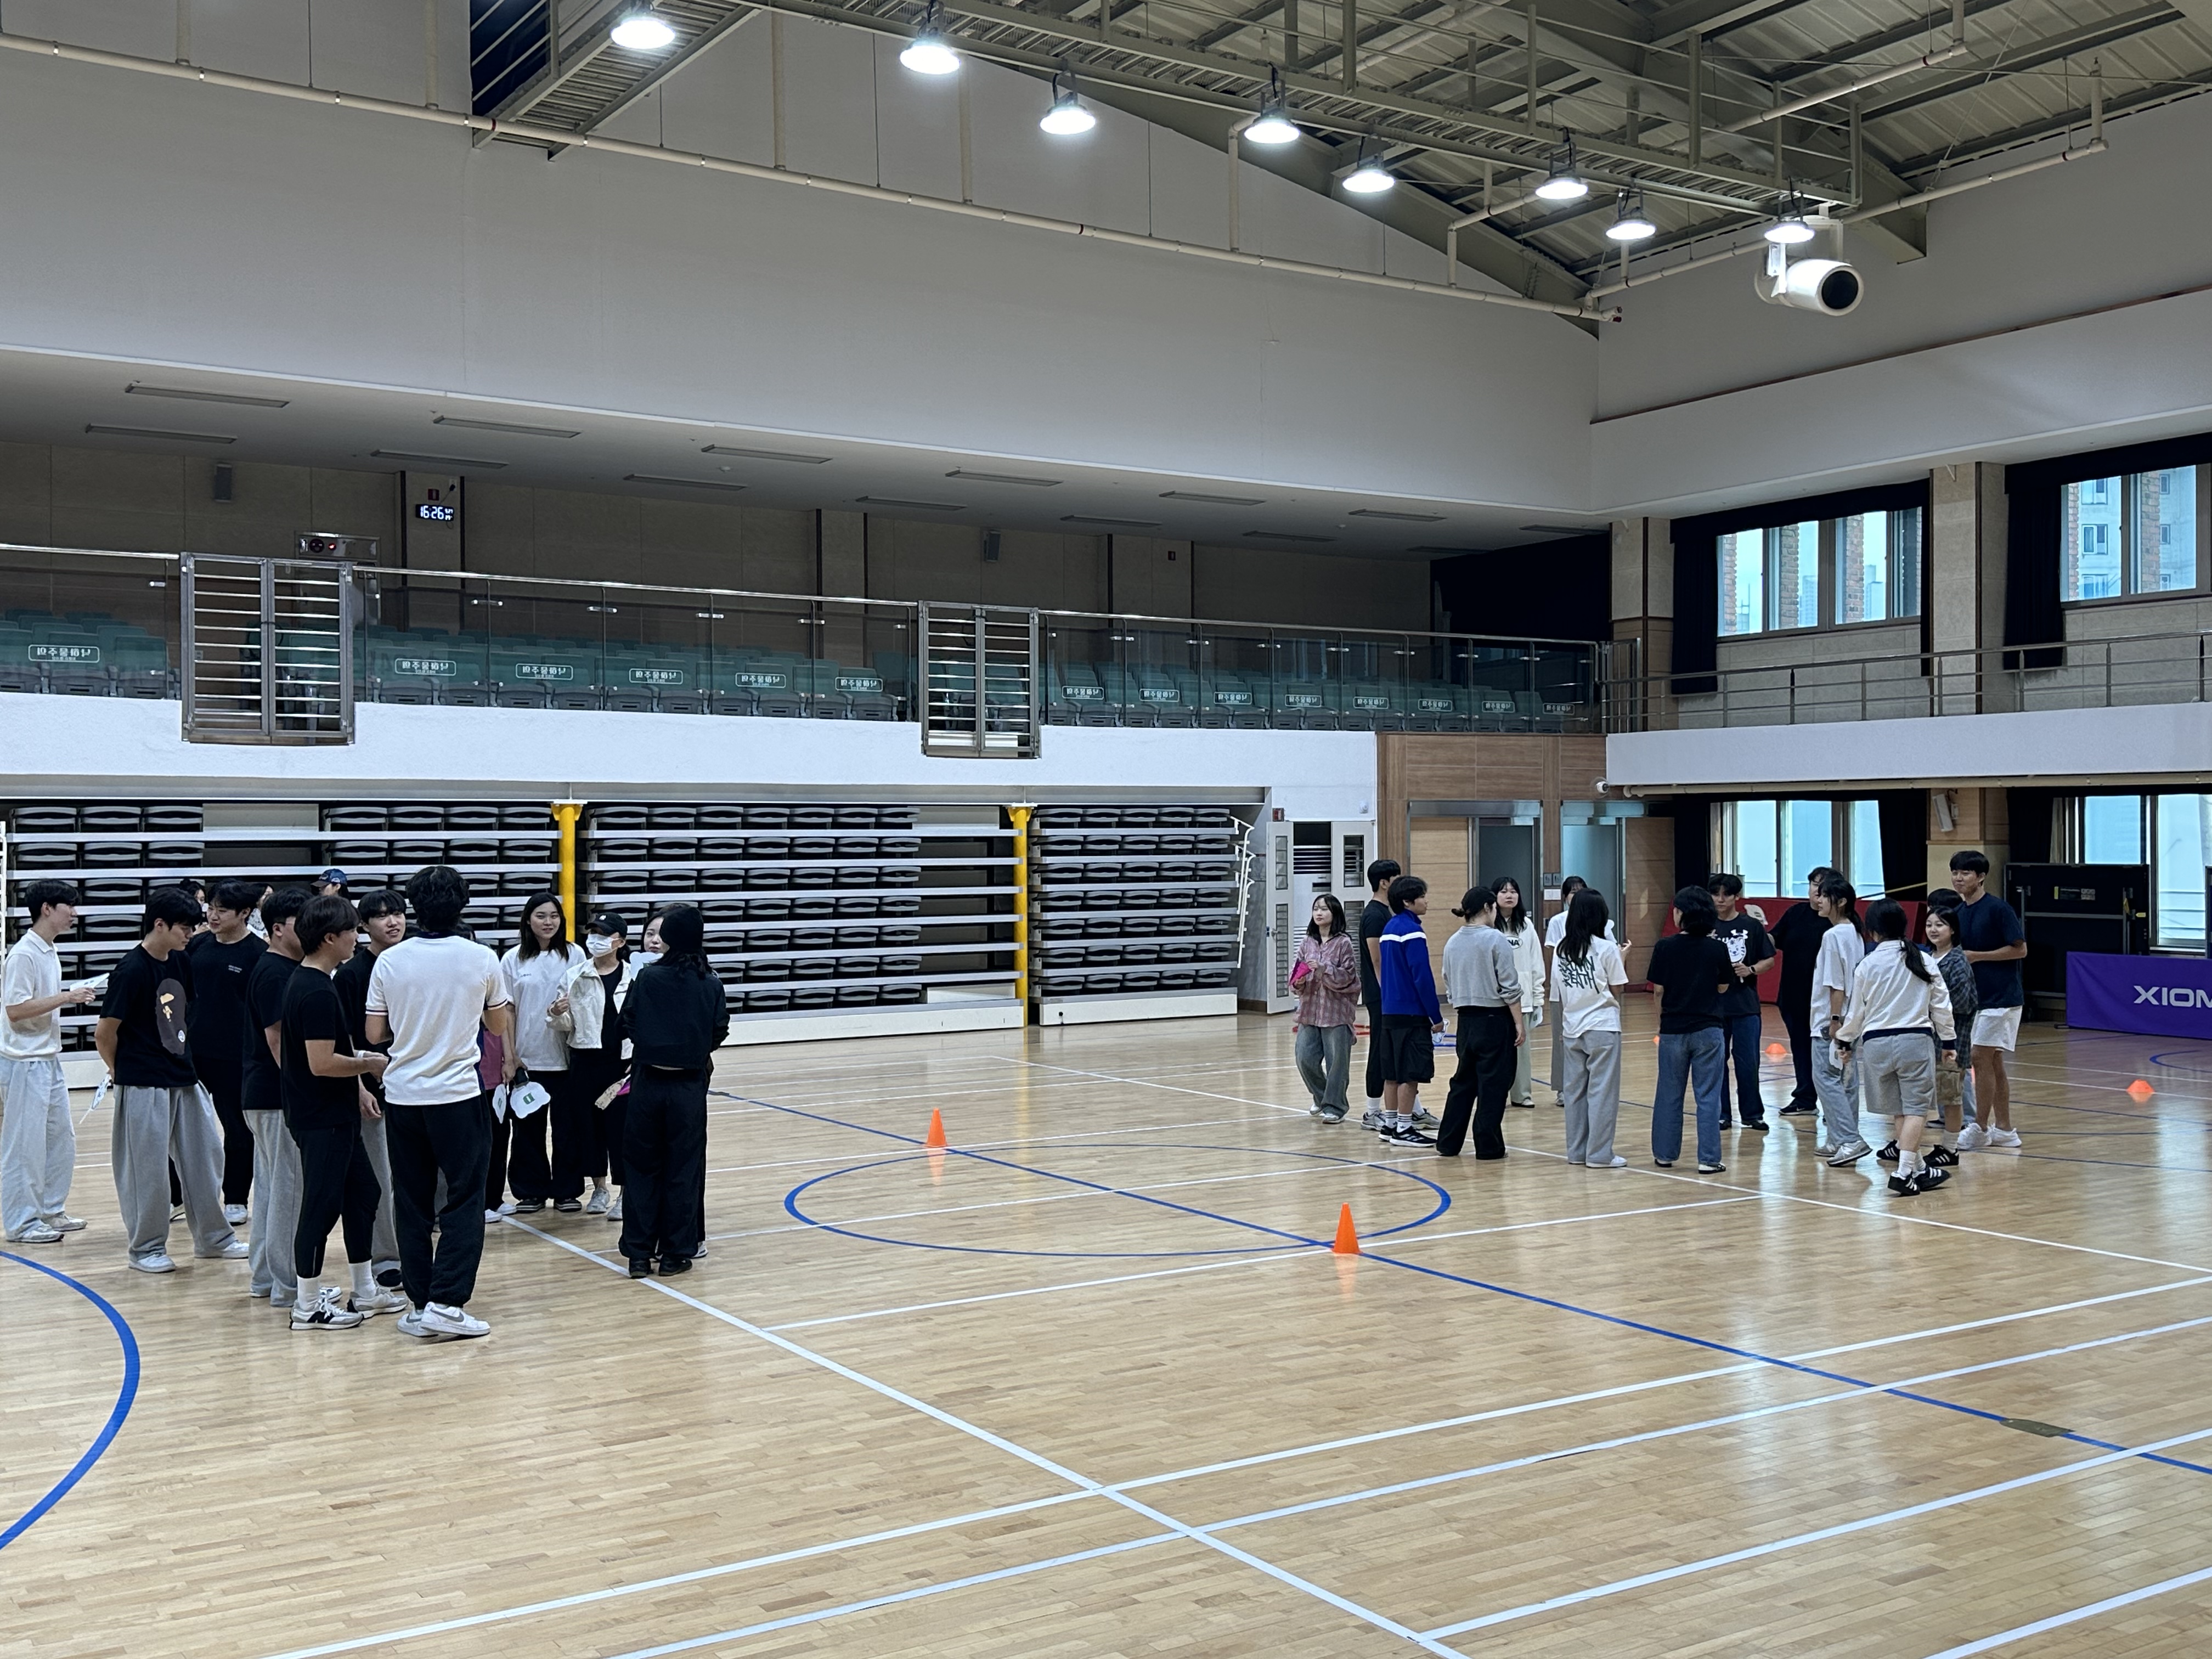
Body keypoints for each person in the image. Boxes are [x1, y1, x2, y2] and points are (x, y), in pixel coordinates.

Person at [365, 865, 513, 1341]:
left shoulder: (390, 961)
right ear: (462, 906)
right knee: (465, 1199)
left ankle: (420, 1303)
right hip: (457, 1096)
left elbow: (374, 1033)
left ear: (414, 907)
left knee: (411, 1201)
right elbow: (496, 1027)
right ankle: (447, 1303)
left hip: (403, 1096)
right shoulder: (482, 957)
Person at [95, 887, 245, 1273]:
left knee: (205, 1160)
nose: (191, 935)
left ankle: (214, 1239)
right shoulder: (131, 970)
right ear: (159, 925)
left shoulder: (180, 960)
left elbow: (180, 1017)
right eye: (185, 928)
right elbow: (105, 1033)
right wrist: (119, 1072)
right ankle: (145, 1248)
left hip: (184, 1075)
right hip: (143, 1081)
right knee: (147, 1170)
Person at [281, 895, 403, 1329]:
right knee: (320, 1207)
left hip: (337, 1112)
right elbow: (321, 1063)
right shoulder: (313, 990)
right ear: (331, 937)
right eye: (352, 930)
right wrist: (368, 1065)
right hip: (321, 1118)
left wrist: (358, 1086)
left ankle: (365, 1289)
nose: (357, 937)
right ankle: (307, 1305)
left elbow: (336, 1050)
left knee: (364, 1194)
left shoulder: (318, 981)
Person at [617, 905, 728, 1277]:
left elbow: (628, 1020)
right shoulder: (710, 983)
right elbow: (719, 1029)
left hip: (648, 1083)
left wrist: (652, 1045)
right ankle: (675, 1253)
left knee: (641, 1168)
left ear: (667, 938)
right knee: (683, 1170)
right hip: (688, 1087)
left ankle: (638, 1253)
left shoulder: (648, 977)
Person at [1835, 899, 1956, 1197]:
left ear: (1873, 931)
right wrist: (1949, 1040)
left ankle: (1918, 1169)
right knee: (1916, 1110)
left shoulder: (1867, 964)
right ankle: (1903, 1174)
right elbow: (1941, 1004)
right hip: (1914, 1042)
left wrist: (1845, 1040)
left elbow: (1856, 1012)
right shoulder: (1923, 959)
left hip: (1876, 1045)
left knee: (1901, 1111)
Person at [1, 880, 97, 1244]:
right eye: (68, 906)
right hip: (24, 1062)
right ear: (47, 909)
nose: (74, 913)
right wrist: (66, 997)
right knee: (24, 1146)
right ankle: (21, 1224)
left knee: (61, 1140)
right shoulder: (24, 954)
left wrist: (63, 997)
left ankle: (49, 1210)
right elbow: (15, 1009)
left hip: (47, 1058)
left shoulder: (49, 949)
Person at [498, 893, 590, 1216]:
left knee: (567, 1130)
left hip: (567, 1058)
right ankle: (530, 1191)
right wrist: (511, 1056)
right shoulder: (512, 959)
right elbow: (507, 1011)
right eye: (541, 916)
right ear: (528, 920)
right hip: (527, 1059)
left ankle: (567, 1190)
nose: (548, 922)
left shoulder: (575, 954)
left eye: (554, 916)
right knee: (528, 1131)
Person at [242, 887, 311, 1311]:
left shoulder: (278, 968)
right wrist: (305, 1091)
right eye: (304, 924)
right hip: (276, 1097)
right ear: (279, 929)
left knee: (271, 1189)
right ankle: (288, 1285)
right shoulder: (275, 973)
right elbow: (277, 1040)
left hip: (265, 1096)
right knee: (288, 1191)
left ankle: (266, 1277)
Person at [335, 889, 407, 1287]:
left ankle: (413, 1247)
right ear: (363, 926)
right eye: (381, 916)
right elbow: (345, 1037)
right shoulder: (351, 974)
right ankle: (385, 1258)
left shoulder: (414, 962)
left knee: (413, 1175)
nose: (392, 922)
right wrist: (360, 1086)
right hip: (373, 1088)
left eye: (397, 913)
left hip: (415, 1084)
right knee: (379, 1176)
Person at [185, 879, 267, 1227]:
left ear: (245, 913)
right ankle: (180, 1197)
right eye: (211, 908)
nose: (213, 916)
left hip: (236, 1056)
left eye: (222, 910)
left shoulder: (258, 954)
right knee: (184, 1128)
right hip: (193, 1052)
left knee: (238, 1128)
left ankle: (236, 1197)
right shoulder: (197, 945)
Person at [1647, 886, 1733, 1173]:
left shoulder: (1664, 947)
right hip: (1709, 1029)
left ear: (1680, 914)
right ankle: (1708, 1159)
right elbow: (1724, 986)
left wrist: (1662, 1023)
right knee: (1708, 1096)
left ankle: (1665, 1154)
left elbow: (1658, 991)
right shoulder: (1717, 948)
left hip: (1673, 1030)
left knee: (1669, 1093)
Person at [1437, 885, 1522, 1160]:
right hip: (1494, 1019)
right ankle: (1488, 1146)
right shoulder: (1496, 939)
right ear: (1488, 907)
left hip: (1466, 1021)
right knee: (1494, 1084)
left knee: (1463, 1083)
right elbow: (1509, 986)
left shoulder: (1452, 942)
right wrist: (1519, 1023)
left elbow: (1448, 982)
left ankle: (1448, 1142)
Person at [1949, 850, 2026, 1152]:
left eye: (1966, 873)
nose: (1959, 878)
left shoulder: (1998, 909)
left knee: (1979, 1058)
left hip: (2001, 998)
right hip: (1973, 999)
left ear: (1981, 877)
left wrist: (1978, 956)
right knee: (1992, 1061)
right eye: (1955, 872)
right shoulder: (1958, 912)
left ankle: (1980, 1128)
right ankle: (2005, 1129)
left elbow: (2020, 950)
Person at [1551, 888, 1628, 1169]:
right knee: (1602, 1093)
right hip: (1602, 1026)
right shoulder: (1606, 948)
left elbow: (1560, 991)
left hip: (1572, 1027)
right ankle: (1599, 1155)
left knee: (1574, 1094)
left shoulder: (1561, 949)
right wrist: (1622, 958)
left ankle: (1577, 1152)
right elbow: (1617, 989)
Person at [566, 911, 637, 1215]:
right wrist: (557, 1014)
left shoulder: (635, 976)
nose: (596, 939)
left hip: (621, 1065)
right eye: (593, 933)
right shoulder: (575, 975)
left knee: (621, 1130)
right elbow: (564, 1024)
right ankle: (599, 1188)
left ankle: (624, 1193)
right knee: (589, 1127)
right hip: (585, 1059)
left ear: (620, 941)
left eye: (604, 934)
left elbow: (644, 1019)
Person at [1373, 875, 1442, 1148]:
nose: (1426, 901)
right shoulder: (1412, 932)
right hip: (1411, 1013)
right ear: (1407, 902)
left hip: (1390, 1012)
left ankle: (1390, 1124)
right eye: (1422, 896)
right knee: (1410, 1074)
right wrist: (1436, 1016)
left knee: (1392, 1072)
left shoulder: (1389, 929)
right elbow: (1422, 977)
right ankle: (1404, 1128)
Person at [1707, 872, 1776, 1132]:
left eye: (1726, 894)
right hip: (1714, 1007)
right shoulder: (1705, 926)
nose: (1720, 900)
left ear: (1737, 896)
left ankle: (1752, 1114)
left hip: (1745, 1006)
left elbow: (1769, 959)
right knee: (1717, 1064)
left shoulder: (1751, 927)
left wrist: (1751, 970)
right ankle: (1721, 1114)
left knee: (1748, 1063)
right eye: (1716, 894)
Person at [1809, 876, 1869, 1165]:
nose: (1818, 900)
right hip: (1853, 1017)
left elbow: (1837, 984)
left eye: (1824, 896)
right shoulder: (1855, 933)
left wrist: (1834, 1020)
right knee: (1846, 1080)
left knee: (1826, 1078)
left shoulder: (1833, 936)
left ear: (1841, 902)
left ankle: (1849, 1139)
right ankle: (1838, 1139)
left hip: (1832, 1019)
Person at [1768, 866, 1836, 1116]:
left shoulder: (1839, 922)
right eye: (1814, 885)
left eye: (1824, 887)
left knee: (1829, 1051)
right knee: (1800, 1047)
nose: (1817, 891)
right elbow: (1774, 939)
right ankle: (1805, 1098)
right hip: (1793, 995)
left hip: (1827, 1000)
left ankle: (1835, 1106)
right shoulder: (1796, 913)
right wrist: (1754, 933)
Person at [1291, 894, 1359, 1125]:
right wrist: (1299, 981)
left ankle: (1336, 1107)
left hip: (1336, 1012)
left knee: (1337, 1063)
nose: (1319, 913)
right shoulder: (1307, 942)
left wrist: (1323, 969)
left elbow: (1348, 977)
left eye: (1324, 909)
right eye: (1316, 909)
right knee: (1304, 1058)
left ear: (1335, 913)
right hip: (1310, 1011)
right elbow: (1295, 976)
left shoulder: (1344, 943)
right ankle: (1323, 1098)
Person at [1356, 859, 1412, 1131]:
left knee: (1400, 1051)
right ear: (1384, 883)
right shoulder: (1375, 915)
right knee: (1380, 1050)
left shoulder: (1386, 912)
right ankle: (1372, 1111)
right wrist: (1388, 992)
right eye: (1396, 878)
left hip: (1390, 995)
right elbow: (1377, 960)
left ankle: (1413, 1109)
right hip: (1381, 996)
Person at [1919, 899, 1977, 1161]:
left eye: (1940, 925)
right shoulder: (1925, 958)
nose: (1933, 930)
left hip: (1952, 1038)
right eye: (1929, 925)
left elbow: (1964, 1004)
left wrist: (1935, 1009)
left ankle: (1952, 1146)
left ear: (1952, 930)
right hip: (1927, 1036)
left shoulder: (1957, 961)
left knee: (1952, 1091)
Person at [1488, 877, 1545, 1108]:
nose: (1509, 896)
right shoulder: (1489, 926)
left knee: (1522, 1050)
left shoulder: (1526, 925)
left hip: (1523, 1000)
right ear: (1494, 897)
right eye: (1503, 892)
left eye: (1513, 891)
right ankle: (1496, 1096)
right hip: (1495, 1000)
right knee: (1497, 1051)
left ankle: (1522, 1095)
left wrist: (1538, 998)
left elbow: (1536, 963)